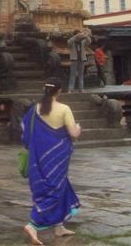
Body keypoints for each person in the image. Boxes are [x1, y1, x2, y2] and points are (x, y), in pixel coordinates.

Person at [21, 77, 81, 245]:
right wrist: (79, 129)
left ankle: (59, 227)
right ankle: (32, 224)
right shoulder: (64, 109)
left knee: (57, 187)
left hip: (40, 158)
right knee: (55, 190)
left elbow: (25, 131)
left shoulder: (35, 109)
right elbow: (73, 133)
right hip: (58, 157)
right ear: (60, 91)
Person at [67, 28, 91, 93]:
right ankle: (70, 89)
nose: (79, 36)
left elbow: (89, 41)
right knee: (72, 75)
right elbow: (68, 42)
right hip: (74, 59)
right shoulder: (72, 42)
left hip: (82, 59)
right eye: (78, 35)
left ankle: (81, 89)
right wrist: (75, 36)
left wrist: (85, 35)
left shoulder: (83, 42)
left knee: (81, 75)